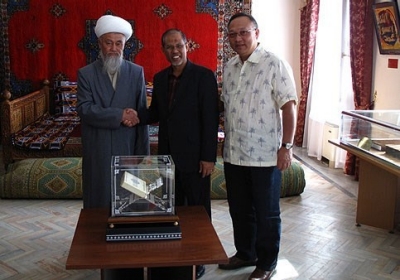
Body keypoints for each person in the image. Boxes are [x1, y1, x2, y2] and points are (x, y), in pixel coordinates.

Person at [218, 13, 298, 280]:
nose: (238, 39)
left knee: (266, 213)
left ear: (256, 33)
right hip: (234, 153)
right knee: (239, 209)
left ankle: (267, 262)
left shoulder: (274, 63)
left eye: (244, 32)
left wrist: (286, 146)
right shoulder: (229, 66)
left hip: (265, 156)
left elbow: (289, 106)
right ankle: (245, 253)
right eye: (232, 34)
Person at [142, 28, 219, 279]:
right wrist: (132, 116)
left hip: (196, 159)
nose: (175, 51)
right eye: (169, 47)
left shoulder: (204, 76)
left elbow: (210, 120)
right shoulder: (161, 77)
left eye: (179, 46)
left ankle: (199, 259)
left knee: (198, 212)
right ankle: (175, 257)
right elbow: (155, 114)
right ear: (163, 50)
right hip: (168, 159)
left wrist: (208, 157)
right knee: (171, 209)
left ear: (187, 46)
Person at [77, 14, 149, 279]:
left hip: (128, 148)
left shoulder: (136, 72)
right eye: (109, 43)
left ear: (125, 45)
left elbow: (141, 115)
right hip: (98, 149)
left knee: (128, 201)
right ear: (100, 44)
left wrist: (143, 156)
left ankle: (128, 255)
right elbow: (85, 110)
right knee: (98, 202)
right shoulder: (85, 74)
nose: (114, 48)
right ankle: (99, 254)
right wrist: (119, 115)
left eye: (119, 43)